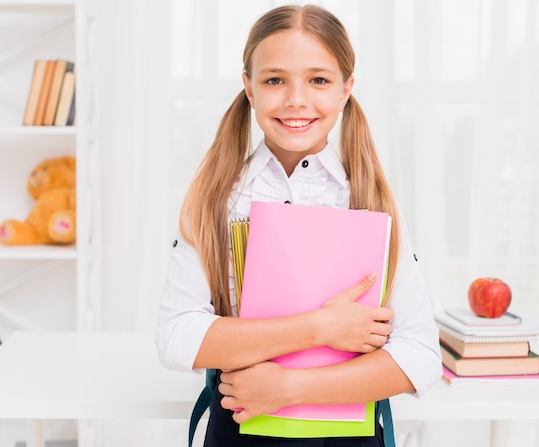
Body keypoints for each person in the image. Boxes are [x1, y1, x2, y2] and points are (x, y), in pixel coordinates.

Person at [156, 4, 442, 446]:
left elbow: (420, 356)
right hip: (238, 432)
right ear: (248, 88)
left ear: (346, 88)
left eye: (319, 80)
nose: (295, 99)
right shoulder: (215, 199)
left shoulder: (371, 201)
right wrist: (320, 327)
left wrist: (289, 390)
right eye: (274, 80)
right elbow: (177, 338)